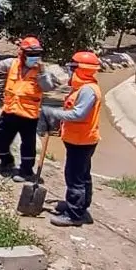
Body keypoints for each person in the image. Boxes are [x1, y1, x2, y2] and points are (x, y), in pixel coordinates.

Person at [39, 51, 103, 228]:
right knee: (82, 175)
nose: (69, 71)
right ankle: (81, 208)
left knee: (75, 178)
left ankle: (74, 215)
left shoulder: (88, 90)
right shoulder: (81, 88)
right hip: (79, 139)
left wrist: (53, 112)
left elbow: (78, 114)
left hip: (81, 141)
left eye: (72, 68)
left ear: (81, 70)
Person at [0, 36, 59, 183]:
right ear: (22, 53)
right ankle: (7, 162)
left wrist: (41, 72)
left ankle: (26, 171)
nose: (34, 57)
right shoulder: (12, 63)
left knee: (27, 144)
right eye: (30, 54)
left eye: (36, 54)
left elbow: (48, 87)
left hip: (29, 115)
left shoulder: (42, 70)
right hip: (10, 110)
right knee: (0, 139)